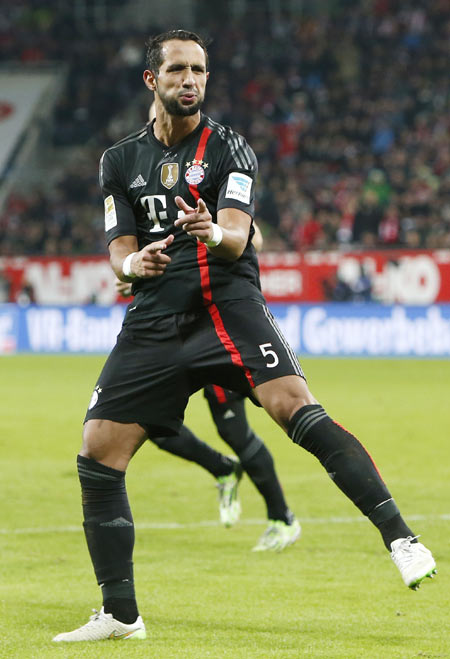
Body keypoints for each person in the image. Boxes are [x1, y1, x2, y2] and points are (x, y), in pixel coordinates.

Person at [53, 30, 436, 643]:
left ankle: (402, 538)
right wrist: (133, 267)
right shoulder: (119, 160)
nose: (192, 80)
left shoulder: (230, 147)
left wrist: (207, 231)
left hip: (226, 305)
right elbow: (118, 249)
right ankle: (121, 615)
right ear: (151, 80)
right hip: (154, 318)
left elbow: (236, 234)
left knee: (294, 408)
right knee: (99, 449)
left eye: (200, 70)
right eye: (178, 69)